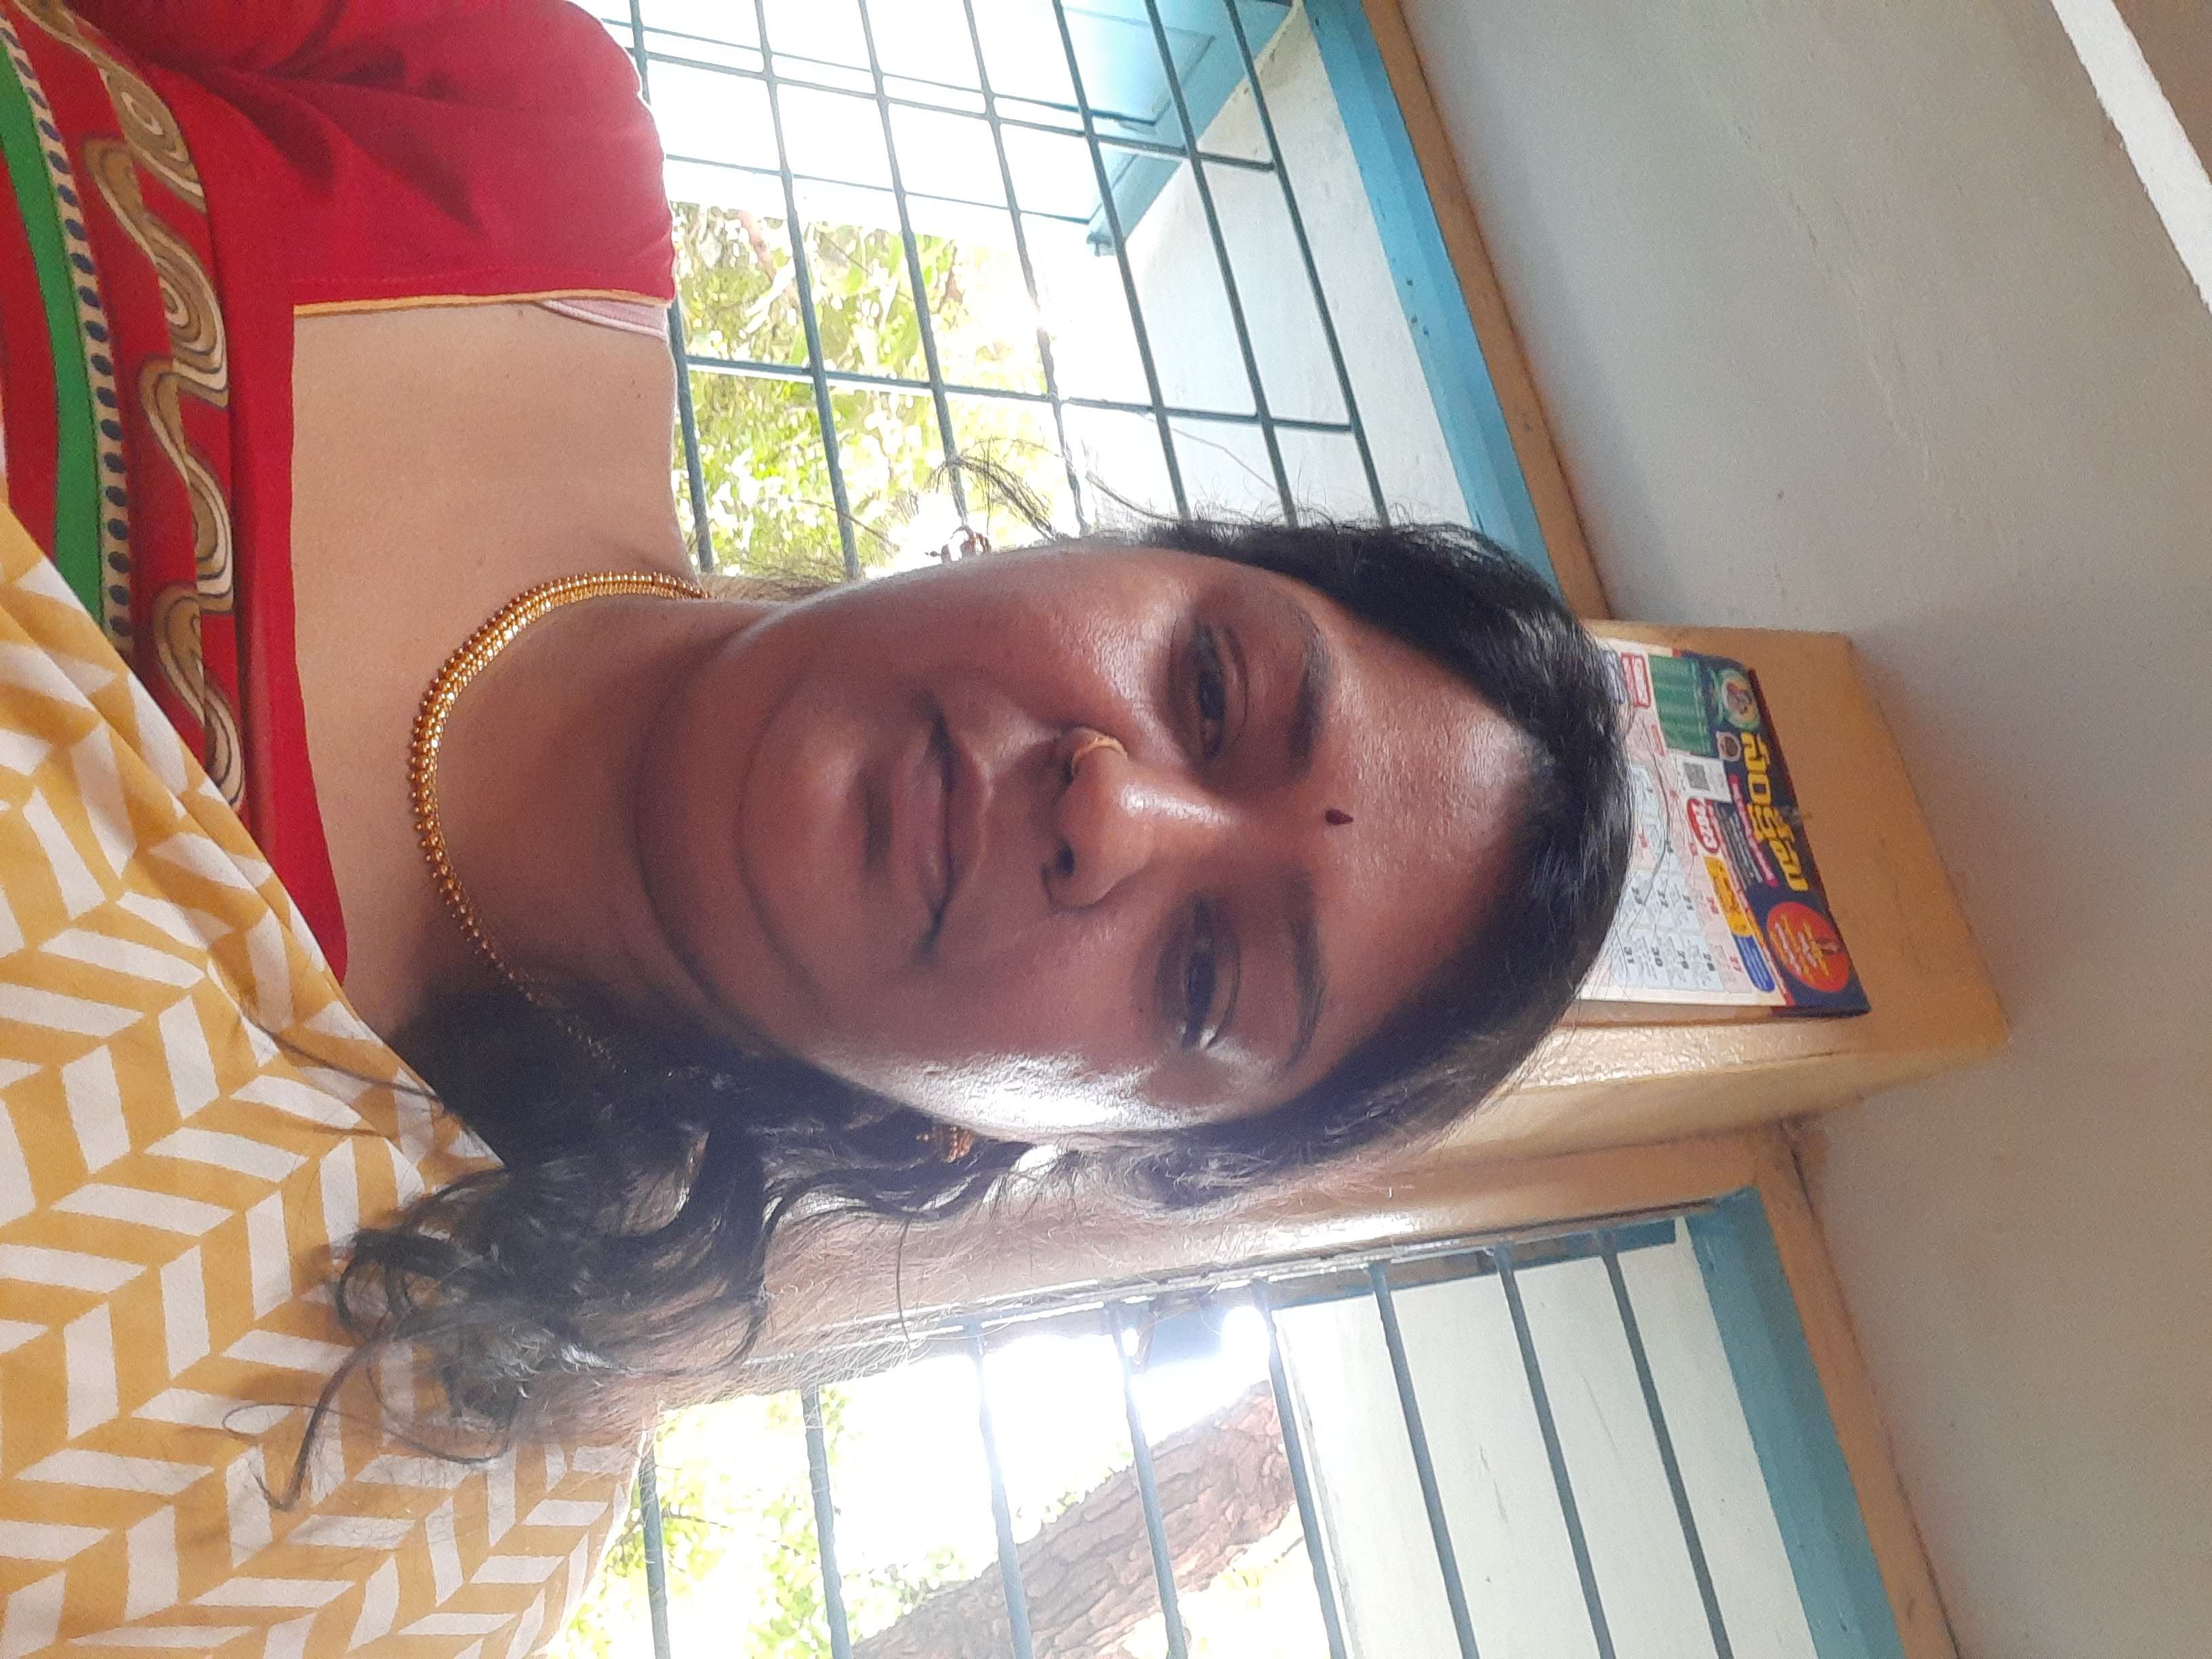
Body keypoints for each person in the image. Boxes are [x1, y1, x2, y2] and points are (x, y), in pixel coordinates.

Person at [0, 1, 1629, 1651]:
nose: (1113, 809)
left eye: (1204, 978)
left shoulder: (386, 1495)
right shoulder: (518, 146)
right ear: (1116, 550)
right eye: (1210, 686)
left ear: (1024, 1141)